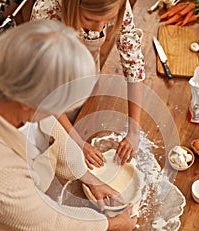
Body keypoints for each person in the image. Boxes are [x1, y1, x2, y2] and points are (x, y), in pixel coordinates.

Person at [0, 20, 137, 231]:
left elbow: (50, 126)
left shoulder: (4, 79)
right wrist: (111, 224)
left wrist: (88, 177)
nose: (56, 114)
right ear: (27, 105)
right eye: (55, 107)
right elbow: (51, 223)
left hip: (14, 192)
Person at [31, 0, 145, 168]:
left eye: (107, 20)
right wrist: (78, 143)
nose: (99, 29)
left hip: (88, 80)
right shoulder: (47, 12)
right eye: (89, 19)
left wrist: (134, 131)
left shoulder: (116, 3)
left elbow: (133, 64)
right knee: (57, 156)